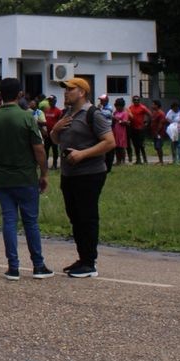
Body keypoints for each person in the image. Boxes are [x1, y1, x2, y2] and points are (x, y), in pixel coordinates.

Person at [0, 77, 52, 280]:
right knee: (31, 222)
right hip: (25, 177)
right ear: (20, 94)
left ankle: (13, 267)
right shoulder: (27, 118)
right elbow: (39, 149)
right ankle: (38, 266)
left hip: (3, 179)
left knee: (9, 221)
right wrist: (44, 173)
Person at [48, 76, 115, 279]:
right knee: (74, 216)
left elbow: (109, 142)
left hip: (90, 173)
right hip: (69, 173)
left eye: (70, 89)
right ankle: (82, 257)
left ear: (82, 92)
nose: (66, 92)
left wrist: (82, 154)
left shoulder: (93, 114)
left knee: (87, 216)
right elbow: (56, 139)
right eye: (65, 89)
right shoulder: (67, 113)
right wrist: (55, 131)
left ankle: (89, 262)